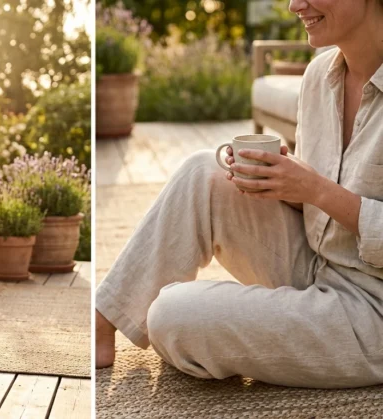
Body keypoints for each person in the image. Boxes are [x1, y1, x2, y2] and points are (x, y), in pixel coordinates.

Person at [95, 0, 383, 388]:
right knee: (206, 170)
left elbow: (326, 192)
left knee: (172, 316)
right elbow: (326, 197)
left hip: (370, 312)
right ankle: (104, 317)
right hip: (317, 262)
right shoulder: (320, 76)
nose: (295, 5)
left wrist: (315, 187)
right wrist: (281, 180)